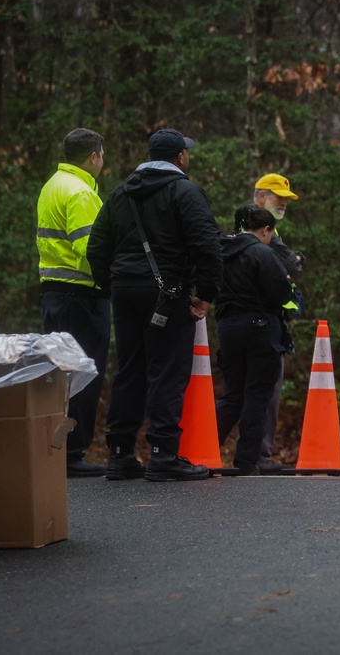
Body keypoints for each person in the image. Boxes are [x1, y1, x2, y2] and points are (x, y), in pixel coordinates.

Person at [87, 128, 221, 482]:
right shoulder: (186, 192)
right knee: (167, 370)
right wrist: (205, 294)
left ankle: (120, 454)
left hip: (125, 290)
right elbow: (207, 245)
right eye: (187, 153)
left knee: (129, 368)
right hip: (168, 292)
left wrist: (110, 283)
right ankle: (163, 454)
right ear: (180, 157)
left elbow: (96, 247)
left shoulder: (120, 193)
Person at [216, 173, 302, 475]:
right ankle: (248, 460)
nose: (283, 204)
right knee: (257, 394)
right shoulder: (263, 252)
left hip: (227, 328)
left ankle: (202, 448)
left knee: (233, 394)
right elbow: (280, 290)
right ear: (264, 229)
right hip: (260, 328)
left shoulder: (221, 249)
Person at [36, 127, 110, 478]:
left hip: (55, 293)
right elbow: (90, 250)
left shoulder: (53, 184)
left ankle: (58, 447)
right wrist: (113, 279)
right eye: (102, 155)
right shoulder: (81, 193)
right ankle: (73, 451)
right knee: (83, 373)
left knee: (60, 374)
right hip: (81, 295)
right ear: (94, 156)